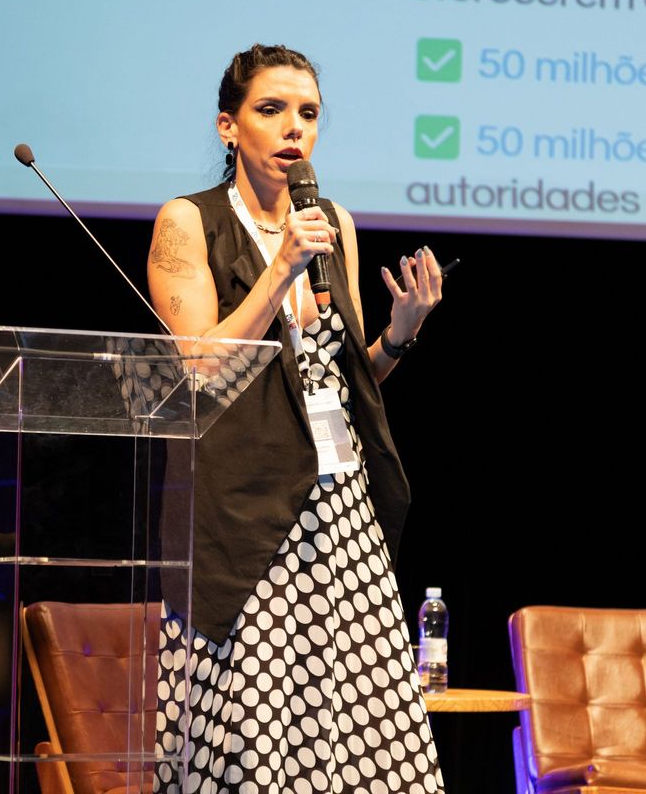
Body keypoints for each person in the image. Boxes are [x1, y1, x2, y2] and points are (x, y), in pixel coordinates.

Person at [147, 44, 444, 794]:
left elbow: (341, 376)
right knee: (255, 735)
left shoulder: (332, 222)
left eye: (308, 113)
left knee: (364, 738)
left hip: (340, 506)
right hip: (243, 512)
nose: (294, 129)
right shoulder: (188, 222)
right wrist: (280, 269)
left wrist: (399, 334)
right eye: (271, 109)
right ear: (228, 126)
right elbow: (200, 364)